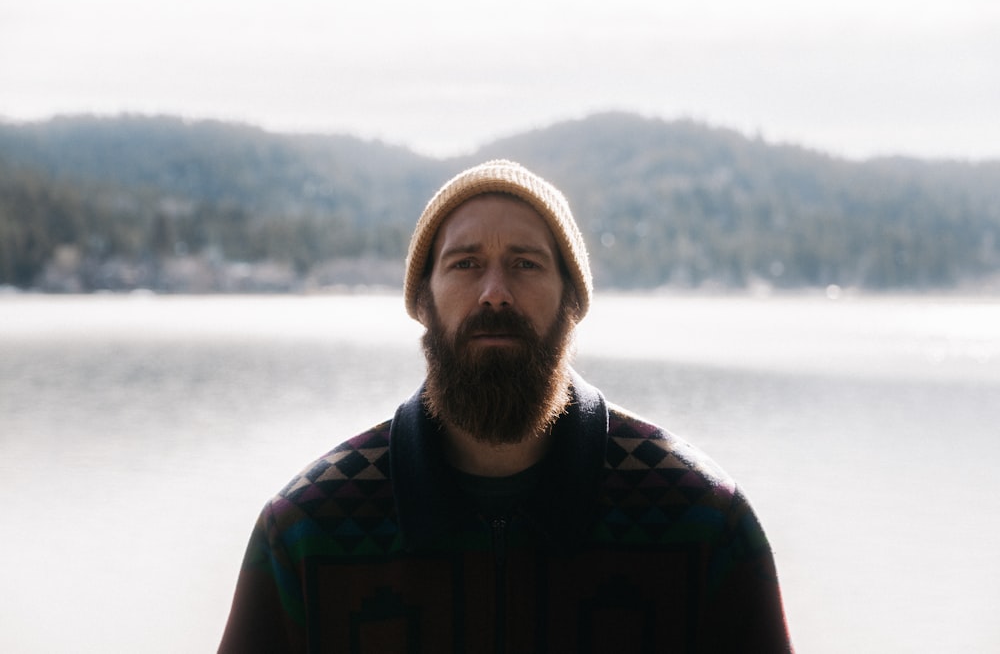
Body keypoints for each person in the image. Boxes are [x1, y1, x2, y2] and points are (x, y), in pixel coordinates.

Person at [219, 159, 793, 653]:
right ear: (423, 301)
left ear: (572, 300)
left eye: (525, 263)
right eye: (465, 263)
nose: (494, 291)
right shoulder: (307, 529)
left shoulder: (698, 519)